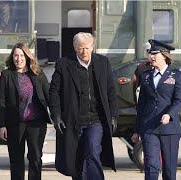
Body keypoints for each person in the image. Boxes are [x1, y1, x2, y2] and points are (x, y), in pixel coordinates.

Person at [49, 32, 118, 179]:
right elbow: (54, 92)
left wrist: (113, 115)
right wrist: (56, 116)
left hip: (96, 120)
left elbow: (111, 91)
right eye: (80, 48)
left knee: (93, 151)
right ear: (75, 48)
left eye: (87, 48)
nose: (84, 51)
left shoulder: (103, 62)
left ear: (92, 47)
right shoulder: (64, 64)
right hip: (74, 121)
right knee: (77, 160)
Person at [131, 39, 181, 180]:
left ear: (164, 55)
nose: (152, 56)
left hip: (169, 129)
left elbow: (180, 99)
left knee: (169, 169)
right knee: (151, 167)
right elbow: (142, 105)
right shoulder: (146, 76)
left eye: (155, 53)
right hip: (149, 128)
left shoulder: (177, 74)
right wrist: (137, 130)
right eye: (150, 53)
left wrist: (169, 114)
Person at [0, 43, 51, 180]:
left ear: (27, 57)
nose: (18, 59)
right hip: (15, 124)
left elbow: (49, 95)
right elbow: (0, 102)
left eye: (21, 55)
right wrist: (1, 124)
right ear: (12, 57)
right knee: (16, 160)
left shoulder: (37, 73)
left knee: (35, 157)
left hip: (36, 123)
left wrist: (58, 115)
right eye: (16, 55)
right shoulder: (6, 75)